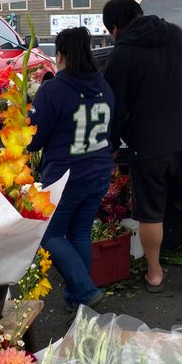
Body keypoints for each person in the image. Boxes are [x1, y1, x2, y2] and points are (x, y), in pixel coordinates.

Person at [102, 0, 182, 292]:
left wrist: (112, 142)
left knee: (150, 211)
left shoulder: (121, 54)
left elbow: (116, 106)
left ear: (115, 28)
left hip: (148, 144)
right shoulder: (178, 35)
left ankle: (155, 273)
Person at [29, 27, 115, 310]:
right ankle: (79, 297)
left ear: (61, 54)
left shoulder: (53, 89)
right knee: (79, 232)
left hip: (65, 177)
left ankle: (84, 289)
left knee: (49, 235)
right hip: (99, 171)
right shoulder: (103, 85)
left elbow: (34, 138)